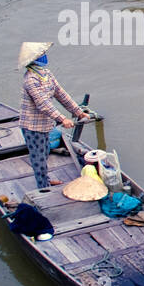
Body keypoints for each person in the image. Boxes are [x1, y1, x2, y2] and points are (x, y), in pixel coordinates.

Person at [18, 41, 89, 191]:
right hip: (32, 126)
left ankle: (46, 180)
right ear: (34, 60)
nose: (45, 56)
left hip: (45, 124)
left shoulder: (46, 74)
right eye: (42, 55)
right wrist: (62, 119)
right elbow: (43, 104)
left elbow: (61, 94)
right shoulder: (30, 79)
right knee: (38, 157)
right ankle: (43, 187)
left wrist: (78, 111)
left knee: (45, 153)